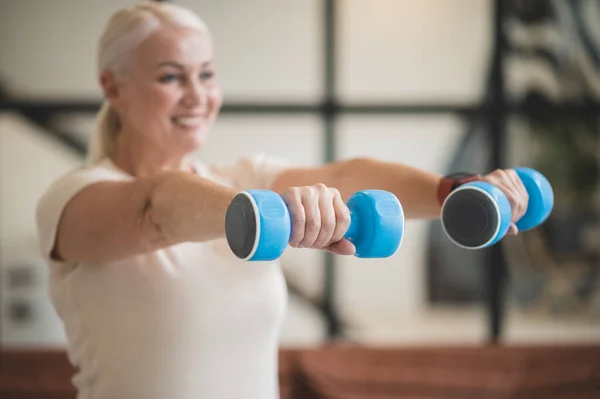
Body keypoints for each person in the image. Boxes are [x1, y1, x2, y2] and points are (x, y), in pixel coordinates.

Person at [35, 2, 529, 399]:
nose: (197, 95)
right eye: (170, 77)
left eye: (206, 74)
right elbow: (154, 207)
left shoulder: (245, 177)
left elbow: (345, 174)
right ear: (112, 87)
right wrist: (270, 213)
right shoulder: (73, 198)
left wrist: (459, 192)